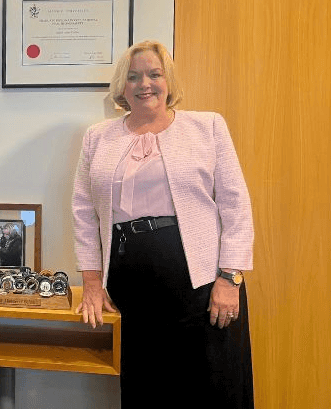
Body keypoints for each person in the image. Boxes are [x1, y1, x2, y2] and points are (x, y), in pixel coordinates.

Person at [72, 40, 254, 407]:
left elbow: (235, 203)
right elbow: (83, 210)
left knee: (212, 389)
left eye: (154, 74)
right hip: (131, 287)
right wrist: (92, 281)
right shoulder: (98, 137)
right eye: (133, 76)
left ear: (168, 80)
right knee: (147, 389)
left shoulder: (207, 127)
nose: (145, 84)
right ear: (122, 87)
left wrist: (230, 277)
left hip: (202, 286)